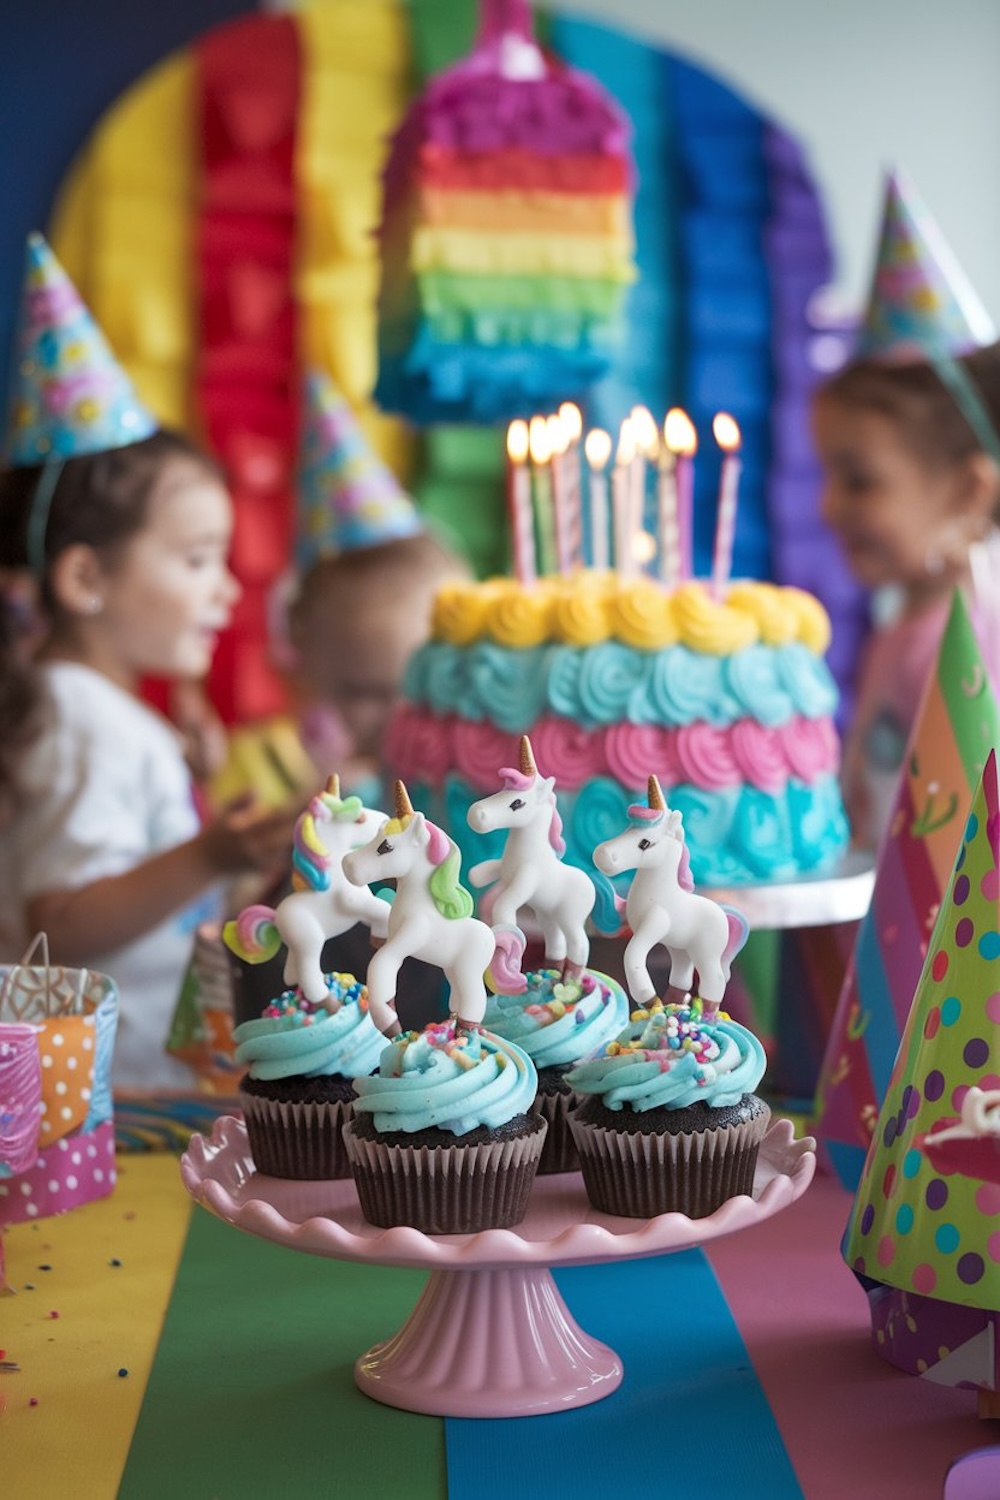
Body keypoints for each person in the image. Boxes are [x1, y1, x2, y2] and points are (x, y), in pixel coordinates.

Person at [0, 235, 296, 1090]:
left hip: (138, 1080)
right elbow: (60, 923)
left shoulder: (98, 710)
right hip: (106, 1099)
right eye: (198, 558)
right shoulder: (75, 714)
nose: (226, 589)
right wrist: (205, 855)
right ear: (87, 577)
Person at [812, 175, 1000, 850]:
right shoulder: (905, 628)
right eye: (828, 475)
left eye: (859, 481)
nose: (828, 505)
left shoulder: (970, 649)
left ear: (967, 493)